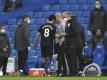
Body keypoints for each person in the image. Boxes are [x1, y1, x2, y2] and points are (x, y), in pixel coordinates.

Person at [62, 11, 79, 76]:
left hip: (72, 43)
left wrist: (66, 34)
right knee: (68, 58)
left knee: (73, 59)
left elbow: (75, 32)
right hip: (67, 43)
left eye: (64, 17)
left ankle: (75, 73)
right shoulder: (67, 22)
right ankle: (71, 72)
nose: (64, 18)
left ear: (68, 15)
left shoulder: (74, 22)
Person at [55, 12, 67, 76]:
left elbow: (66, 33)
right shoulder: (59, 24)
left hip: (62, 43)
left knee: (61, 58)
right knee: (60, 58)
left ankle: (62, 72)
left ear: (58, 17)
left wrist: (61, 40)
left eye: (56, 17)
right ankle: (60, 72)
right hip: (59, 43)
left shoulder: (62, 24)